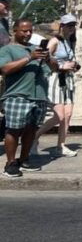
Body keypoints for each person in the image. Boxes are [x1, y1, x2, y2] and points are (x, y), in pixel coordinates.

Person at [0, 19, 57, 177]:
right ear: (15, 31)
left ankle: (24, 159)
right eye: (24, 31)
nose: (28, 33)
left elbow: (55, 68)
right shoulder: (8, 50)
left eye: (30, 31)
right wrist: (29, 58)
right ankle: (10, 163)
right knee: (13, 130)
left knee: (31, 130)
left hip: (38, 96)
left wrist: (48, 59)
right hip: (18, 95)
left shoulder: (36, 49)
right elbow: (4, 69)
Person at [33, 15, 80, 157]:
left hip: (68, 79)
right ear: (62, 26)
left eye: (73, 25)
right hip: (55, 79)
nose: (71, 28)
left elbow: (70, 59)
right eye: (68, 25)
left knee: (68, 114)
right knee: (59, 116)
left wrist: (74, 65)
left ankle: (61, 145)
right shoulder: (54, 41)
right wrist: (61, 66)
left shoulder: (70, 41)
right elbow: (44, 59)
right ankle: (34, 136)